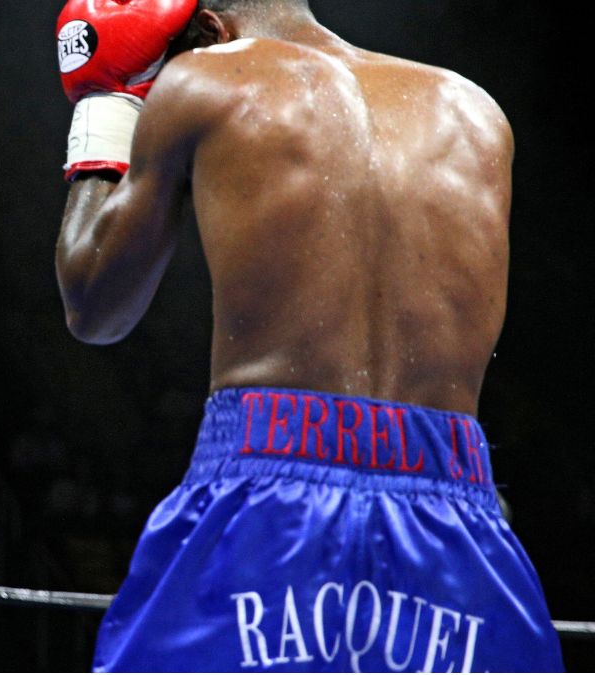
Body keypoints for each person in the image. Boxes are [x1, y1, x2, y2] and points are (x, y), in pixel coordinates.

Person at [53, 0, 564, 671]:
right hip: (457, 513)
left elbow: (94, 306)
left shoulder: (206, 81)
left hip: (267, 491)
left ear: (209, 30)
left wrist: (109, 99)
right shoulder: (474, 112)